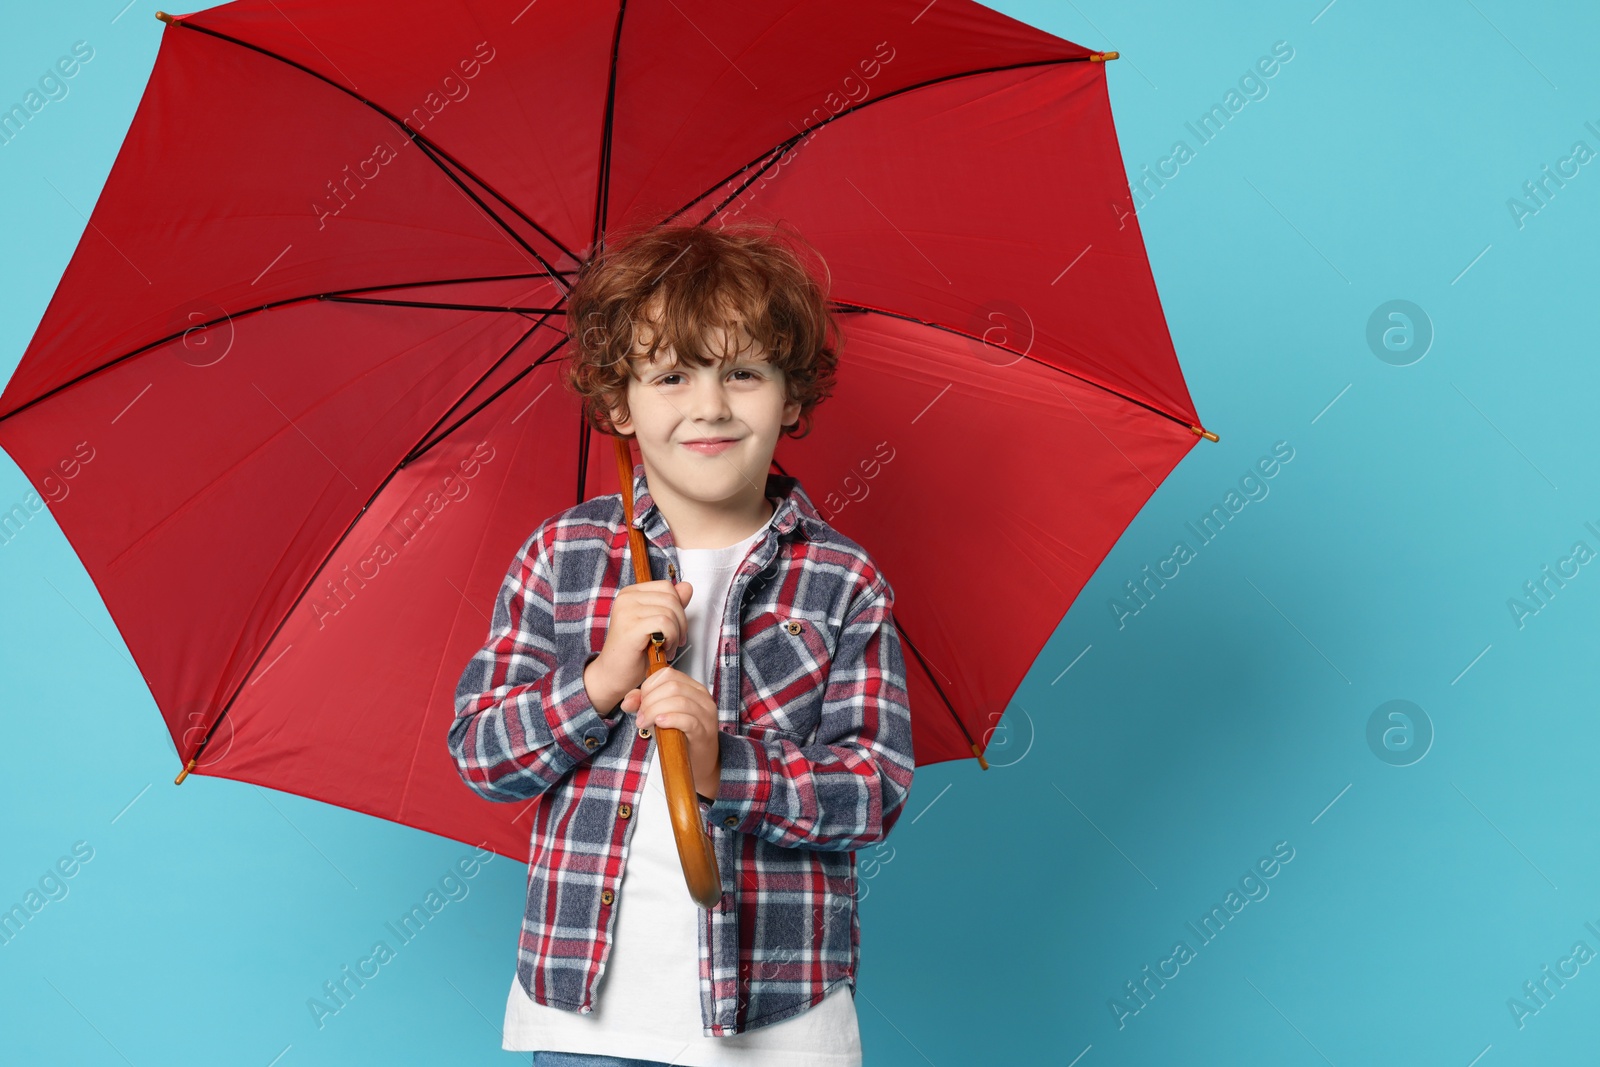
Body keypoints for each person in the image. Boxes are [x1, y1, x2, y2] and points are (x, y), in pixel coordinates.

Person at [447, 220, 916, 1067]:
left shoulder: (843, 580)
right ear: (619, 401)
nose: (709, 405)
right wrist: (598, 679)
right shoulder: (562, 556)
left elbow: (873, 790)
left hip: (781, 1019)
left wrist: (722, 766)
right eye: (671, 375)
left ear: (794, 395)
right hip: (585, 1021)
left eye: (743, 372)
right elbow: (484, 753)